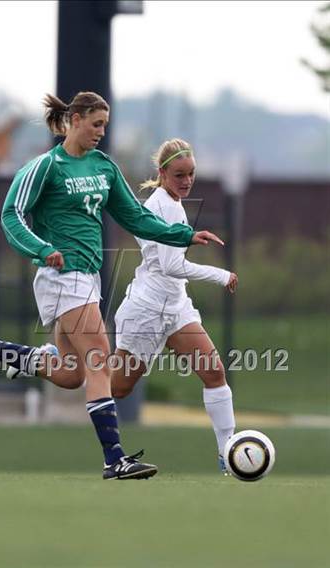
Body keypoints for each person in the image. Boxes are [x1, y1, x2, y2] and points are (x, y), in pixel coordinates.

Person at [0, 92, 224, 480]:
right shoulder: (46, 167)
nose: (101, 132)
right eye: (96, 124)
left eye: (105, 126)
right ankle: (115, 458)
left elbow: (135, 217)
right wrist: (42, 249)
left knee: (71, 374)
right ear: (74, 120)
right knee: (99, 356)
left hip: (87, 278)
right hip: (61, 275)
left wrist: (184, 235)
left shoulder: (103, 167)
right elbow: (11, 215)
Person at [110, 138, 238, 474]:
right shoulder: (164, 206)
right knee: (116, 388)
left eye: (191, 174)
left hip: (176, 306)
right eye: (179, 174)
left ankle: (228, 452)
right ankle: (51, 361)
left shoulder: (175, 203)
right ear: (162, 173)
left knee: (214, 373)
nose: (186, 181)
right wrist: (220, 275)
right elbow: (170, 266)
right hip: (148, 308)